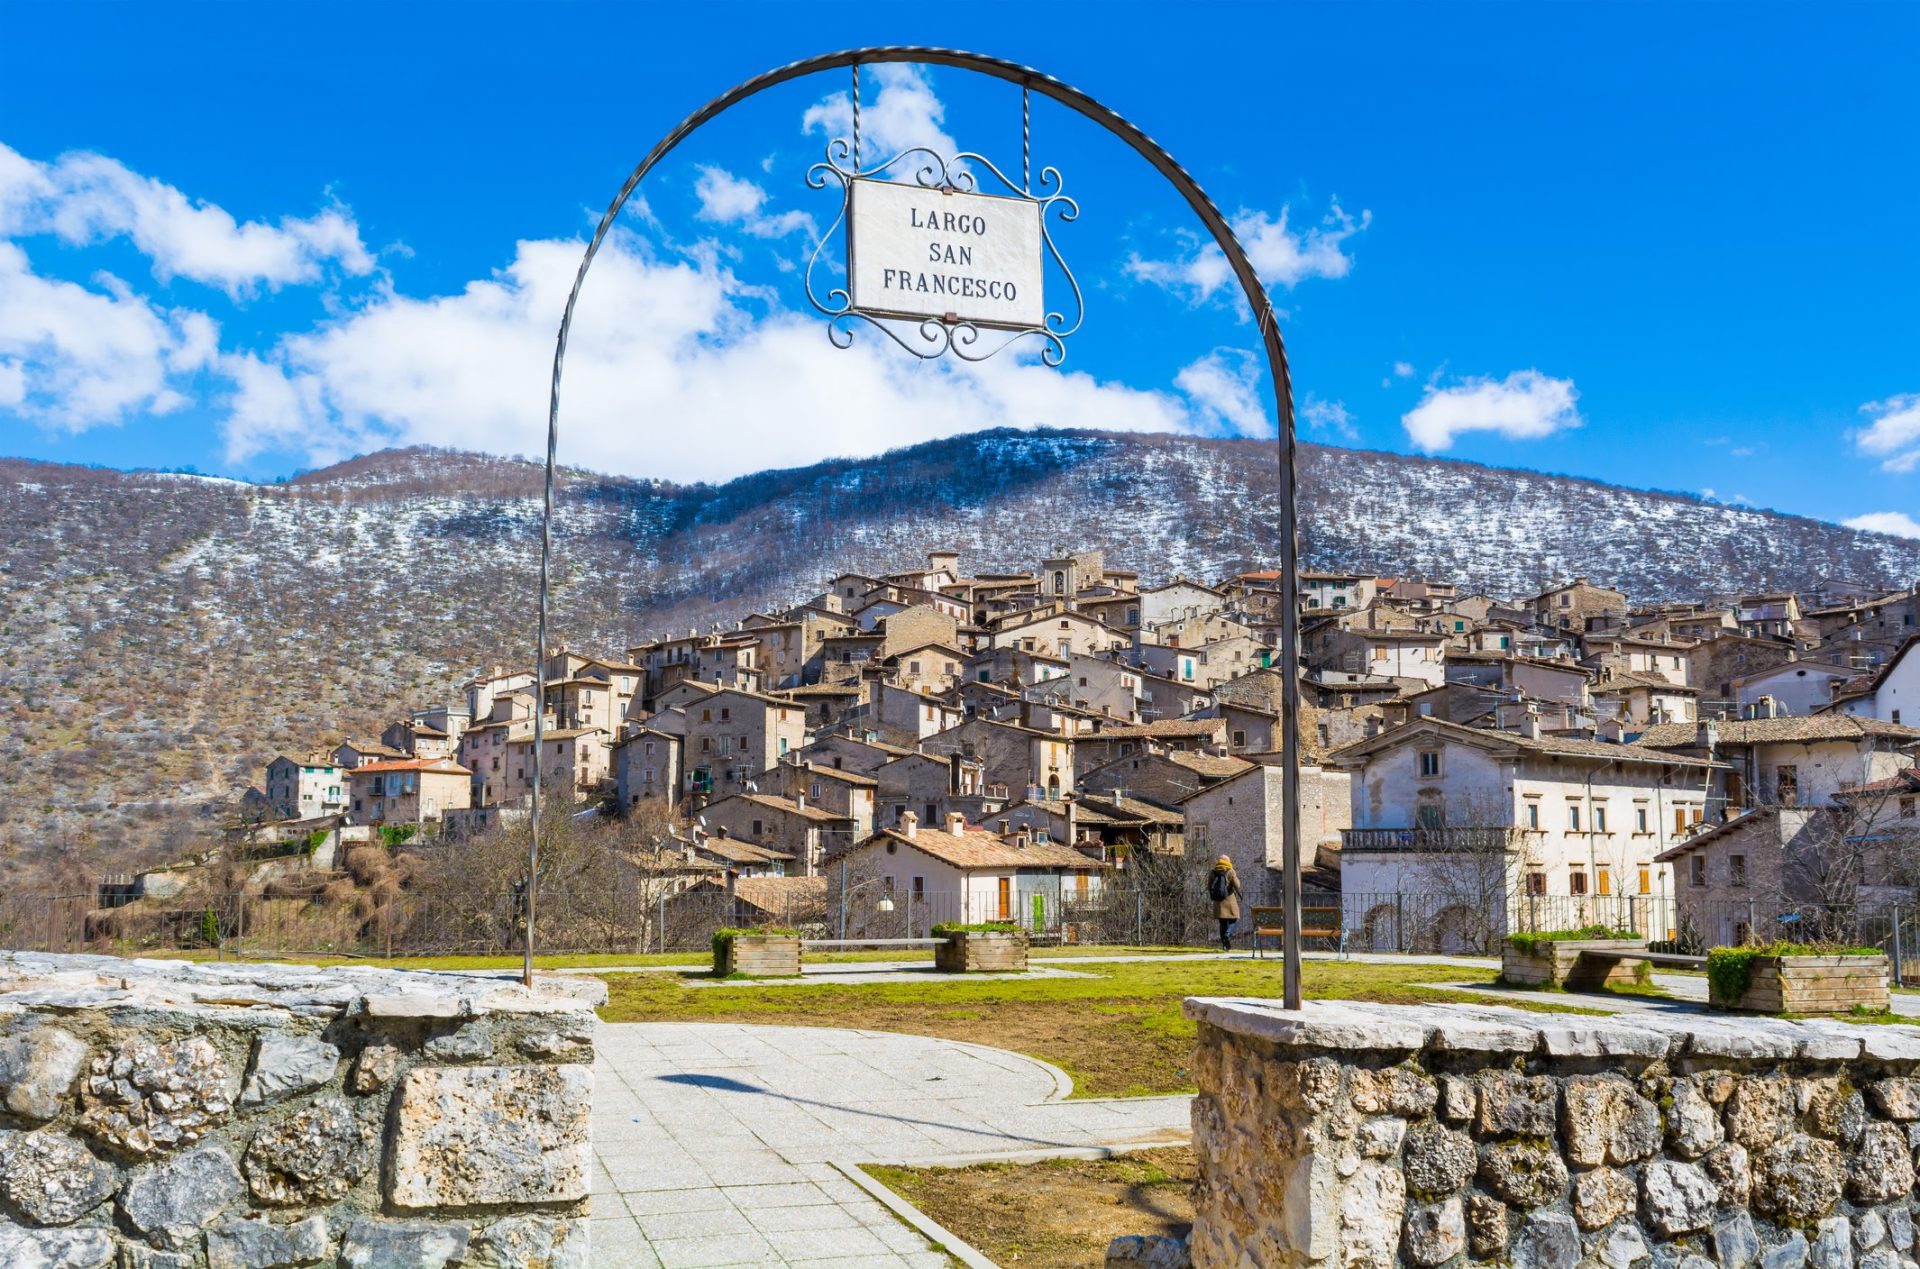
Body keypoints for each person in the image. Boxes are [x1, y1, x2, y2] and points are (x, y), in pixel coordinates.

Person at [1206, 855, 1241, 952]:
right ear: (1227, 861)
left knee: (1222, 923)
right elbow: (1237, 886)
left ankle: (1225, 946)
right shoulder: (1230, 871)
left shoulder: (1213, 872)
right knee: (1234, 919)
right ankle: (1228, 934)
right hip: (1229, 900)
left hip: (1218, 901)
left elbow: (1209, 887)